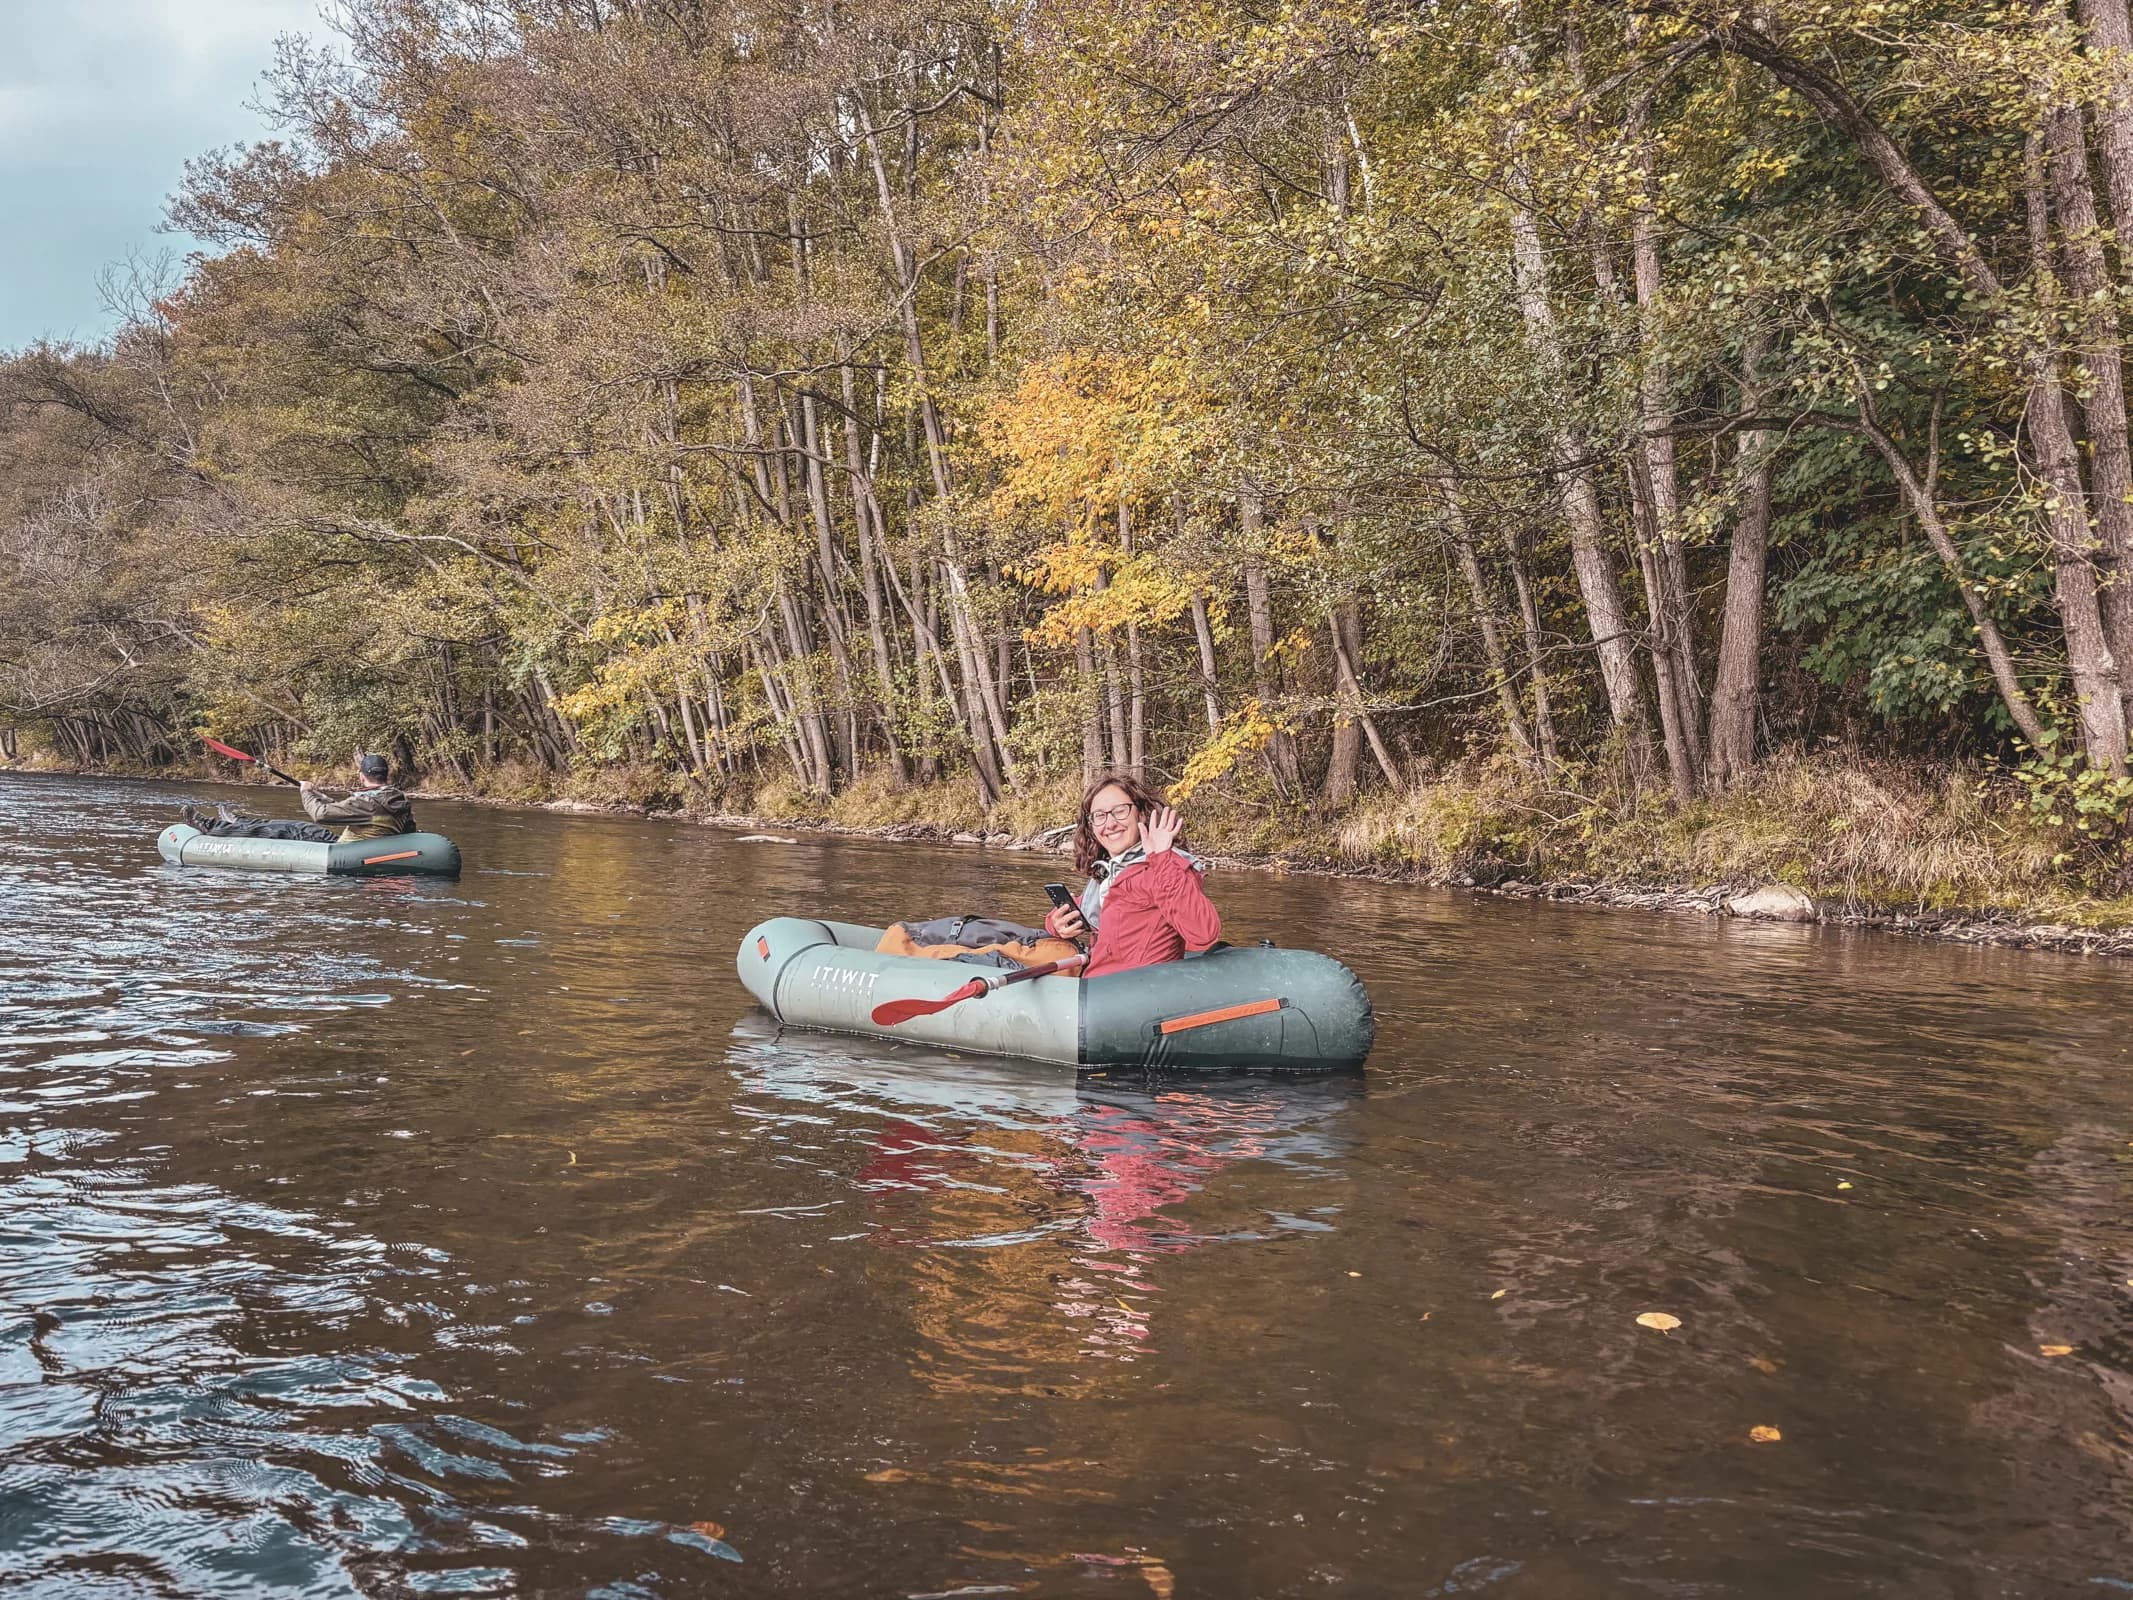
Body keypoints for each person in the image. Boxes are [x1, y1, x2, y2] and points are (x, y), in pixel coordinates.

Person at [1042, 773, 1221, 979]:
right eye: (1099, 816)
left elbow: (1204, 933)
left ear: (1140, 814)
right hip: (1096, 984)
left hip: (1136, 992)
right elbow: (1092, 911)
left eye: (1120, 811)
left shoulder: (1169, 866)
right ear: (1091, 826)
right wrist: (1055, 924)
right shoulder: (1110, 872)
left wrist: (1162, 857)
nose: (1109, 824)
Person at [181, 752, 417, 844]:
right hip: (358, 844)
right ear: (386, 775)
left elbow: (320, 814)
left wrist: (305, 792)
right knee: (293, 826)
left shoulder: (367, 802)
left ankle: (211, 827)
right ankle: (239, 822)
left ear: (361, 775)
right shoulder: (398, 799)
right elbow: (408, 830)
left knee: (287, 829)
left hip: (345, 850)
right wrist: (319, 796)